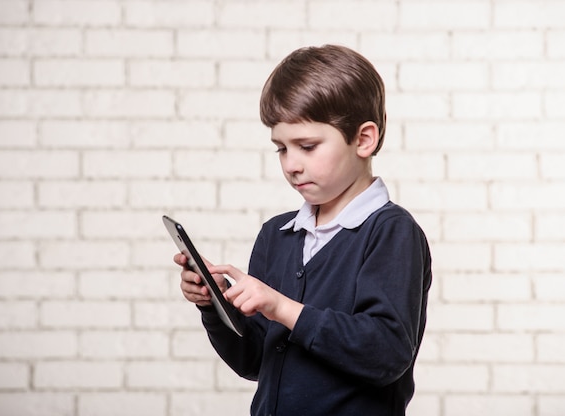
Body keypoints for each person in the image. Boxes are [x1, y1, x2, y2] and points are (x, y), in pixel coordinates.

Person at [174, 44, 432, 416]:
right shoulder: (277, 235)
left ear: (363, 140)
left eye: (307, 146)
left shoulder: (391, 232)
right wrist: (214, 305)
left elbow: (386, 354)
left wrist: (282, 307)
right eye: (281, 148)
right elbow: (254, 361)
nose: (291, 164)